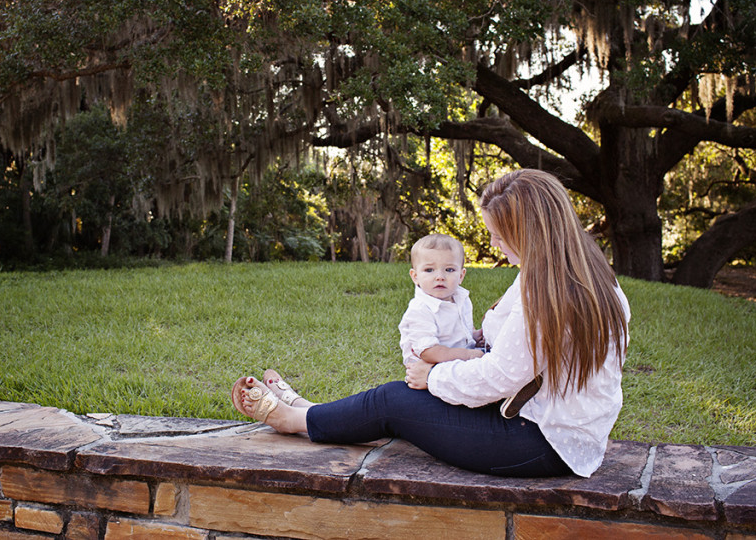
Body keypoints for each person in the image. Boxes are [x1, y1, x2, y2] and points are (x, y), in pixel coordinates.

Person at [232, 169, 630, 478]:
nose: (494, 245)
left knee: (396, 401)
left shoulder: (546, 290)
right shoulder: (583, 276)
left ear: (527, 232)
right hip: (558, 431)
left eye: (497, 235)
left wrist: (432, 376)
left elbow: (499, 376)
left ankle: (293, 420)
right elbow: (509, 342)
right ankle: (314, 413)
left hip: (536, 442)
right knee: (400, 401)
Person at [398, 233, 484, 366]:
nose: (440, 276)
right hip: (430, 370)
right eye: (429, 270)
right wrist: (468, 355)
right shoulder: (420, 309)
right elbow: (428, 352)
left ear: (461, 276)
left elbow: (462, 330)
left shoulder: (461, 298)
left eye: (449, 269)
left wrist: (475, 336)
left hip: (458, 365)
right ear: (415, 276)